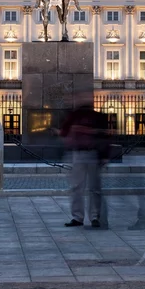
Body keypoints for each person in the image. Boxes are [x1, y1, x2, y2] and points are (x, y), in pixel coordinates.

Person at [59, 95, 109, 228]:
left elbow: (104, 136)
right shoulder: (74, 116)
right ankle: (79, 217)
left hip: (92, 153)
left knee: (92, 188)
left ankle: (93, 217)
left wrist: (104, 155)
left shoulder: (97, 117)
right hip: (79, 153)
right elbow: (64, 132)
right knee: (78, 187)